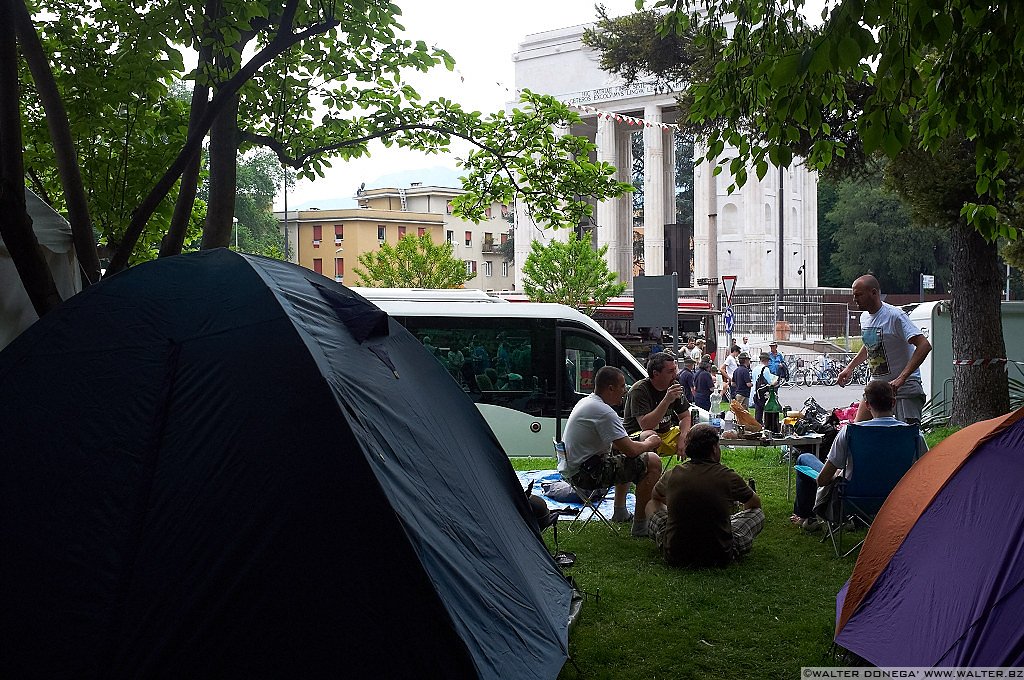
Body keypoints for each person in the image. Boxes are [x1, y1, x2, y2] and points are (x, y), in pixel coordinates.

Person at [791, 381, 928, 530]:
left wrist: (836, 474)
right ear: (893, 402)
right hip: (897, 498)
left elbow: (823, 480)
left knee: (804, 458)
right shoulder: (913, 434)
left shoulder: (851, 432)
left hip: (853, 498)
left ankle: (806, 517)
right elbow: (926, 474)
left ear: (867, 405)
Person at [560, 366, 664, 538]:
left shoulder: (589, 402)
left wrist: (641, 440)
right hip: (586, 474)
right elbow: (630, 451)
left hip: (575, 468)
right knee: (652, 461)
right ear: (610, 388)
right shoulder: (604, 412)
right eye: (622, 386)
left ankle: (620, 511)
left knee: (623, 458)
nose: (625, 391)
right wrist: (649, 442)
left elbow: (620, 444)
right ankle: (640, 525)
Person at [646, 424, 764, 567]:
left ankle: (673, 538)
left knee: (651, 505)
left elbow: (655, 497)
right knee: (757, 514)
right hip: (720, 554)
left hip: (676, 554)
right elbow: (754, 504)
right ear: (714, 449)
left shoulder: (672, 474)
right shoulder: (728, 476)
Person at [837, 274, 932, 424]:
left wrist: (901, 378)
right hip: (877, 388)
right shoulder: (864, 317)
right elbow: (870, 344)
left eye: (859, 295)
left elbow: (924, 345)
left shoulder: (895, 316)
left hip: (904, 389)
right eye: (854, 295)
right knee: (858, 429)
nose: (855, 299)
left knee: (907, 437)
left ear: (874, 293)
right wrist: (850, 368)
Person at [624, 352, 693, 464]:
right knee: (650, 435)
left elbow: (685, 416)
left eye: (675, 370)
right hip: (638, 436)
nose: (675, 375)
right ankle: (651, 470)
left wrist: (684, 437)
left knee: (698, 433)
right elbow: (646, 426)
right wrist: (666, 400)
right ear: (656, 374)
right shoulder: (640, 390)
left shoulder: (673, 385)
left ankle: (696, 474)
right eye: (670, 371)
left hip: (665, 434)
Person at [752, 352, 777, 425]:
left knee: (758, 412)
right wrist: (775, 381)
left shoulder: (755, 369)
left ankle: (757, 426)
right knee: (767, 411)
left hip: (756, 393)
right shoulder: (766, 369)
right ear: (766, 360)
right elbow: (770, 382)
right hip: (763, 393)